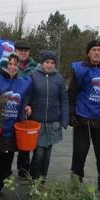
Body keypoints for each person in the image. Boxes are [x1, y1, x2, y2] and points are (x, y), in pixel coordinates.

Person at [68, 40, 100, 191]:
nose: (97, 52)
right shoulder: (80, 69)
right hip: (82, 120)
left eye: (99, 50)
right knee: (79, 153)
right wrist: (71, 114)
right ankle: (75, 184)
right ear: (88, 53)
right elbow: (71, 94)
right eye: (93, 50)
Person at [0, 53, 31, 195]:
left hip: (13, 128)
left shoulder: (23, 83)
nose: (12, 67)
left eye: (15, 64)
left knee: (7, 160)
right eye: (9, 64)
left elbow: (26, 99)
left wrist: (27, 106)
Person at [26, 50, 69, 181]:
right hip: (37, 122)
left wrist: (64, 119)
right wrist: (26, 107)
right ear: (42, 62)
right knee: (38, 154)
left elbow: (64, 100)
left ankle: (42, 180)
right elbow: (27, 95)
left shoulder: (59, 78)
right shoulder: (33, 75)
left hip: (52, 122)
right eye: (47, 62)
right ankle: (34, 181)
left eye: (52, 63)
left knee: (47, 155)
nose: (49, 65)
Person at [13, 39, 37, 178]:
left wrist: (31, 105)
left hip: (28, 108)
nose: (23, 52)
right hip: (12, 106)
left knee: (26, 139)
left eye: (25, 50)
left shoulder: (35, 68)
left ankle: (23, 168)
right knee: (9, 139)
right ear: (15, 51)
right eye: (20, 49)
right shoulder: (8, 65)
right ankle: (4, 169)